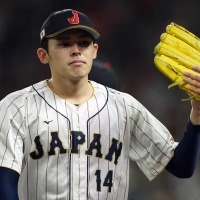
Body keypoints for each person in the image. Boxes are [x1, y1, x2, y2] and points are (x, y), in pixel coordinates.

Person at [0, 9, 200, 200]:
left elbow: (180, 166)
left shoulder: (125, 107)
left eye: (84, 43)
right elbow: (4, 184)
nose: (76, 50)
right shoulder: (17, 107)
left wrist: (197, 114)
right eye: (64, 44)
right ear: (43, 55)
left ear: (94, 51)